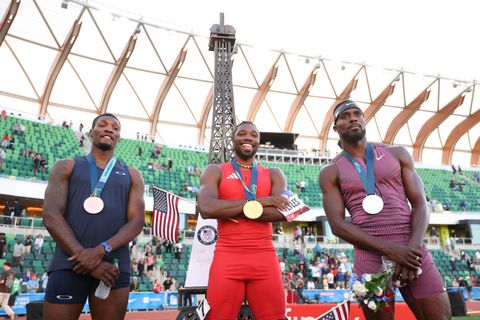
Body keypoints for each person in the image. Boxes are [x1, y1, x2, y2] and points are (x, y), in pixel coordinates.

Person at [319, 100, 450, 320]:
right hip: (370, 257)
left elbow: (420, 203)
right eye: (345, 116)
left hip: (412, 250)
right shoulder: (330, 171)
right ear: (335, 128)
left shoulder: (397, 154)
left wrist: (411, 250)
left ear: (364, 120)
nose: (352, 118)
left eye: (357, 113)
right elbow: (337, 225)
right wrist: (392, 251)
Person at [42, 113, 145, 320]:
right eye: (102, 125)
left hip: (113, 267)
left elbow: (136, 222)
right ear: (91, 132)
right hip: (70, 262)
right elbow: (51, 215)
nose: (109, 129)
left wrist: (100, 251)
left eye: (115, 128)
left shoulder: (132, 174)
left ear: (119, 138)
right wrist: (87, 257)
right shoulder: (66, 166)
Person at [197, 121, 290, 319]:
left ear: (258, 141)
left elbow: (283, 213)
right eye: (242, 133)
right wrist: (263, 202)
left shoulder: (274, 174)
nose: (248, 138)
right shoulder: (215, 170)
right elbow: (206, 208)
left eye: (254, 135)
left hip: (264, 256)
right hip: (227, 255)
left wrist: (228, 209)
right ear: (233, 139)